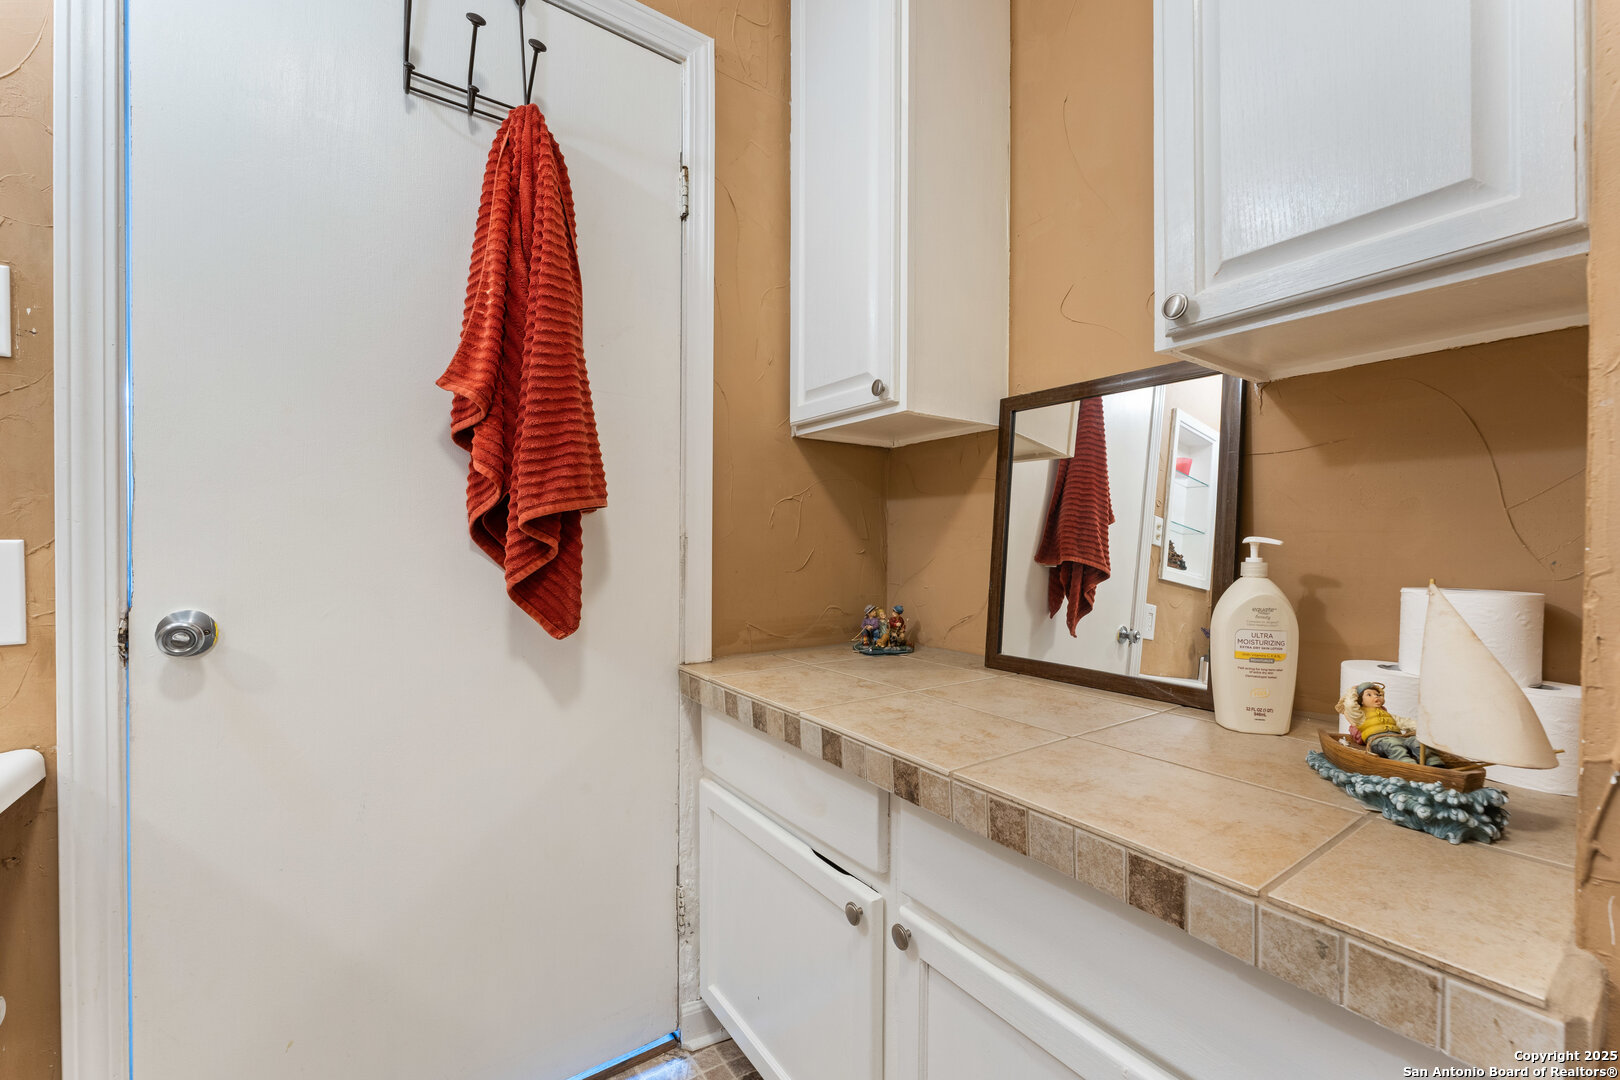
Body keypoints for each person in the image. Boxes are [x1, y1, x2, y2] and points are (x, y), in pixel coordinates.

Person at [1335, 682, 1443, 766]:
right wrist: (1352, 691)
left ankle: (1433, 761)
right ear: (1361, 701)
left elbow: (1404, 722)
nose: (1375, 696)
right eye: (1369, 695)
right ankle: (1407, 765)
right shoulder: (1360, 715)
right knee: (1392, 744)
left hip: (1398, 737)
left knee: (1416, 740)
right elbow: (1349, 705)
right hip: (1378, 740)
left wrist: (1423, 728)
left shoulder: (1388, 715)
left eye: (1377, 694)